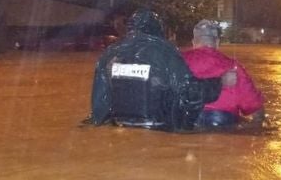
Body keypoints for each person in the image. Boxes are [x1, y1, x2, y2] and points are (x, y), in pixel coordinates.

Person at [89, 9, 237, 132]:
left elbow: (99, 104)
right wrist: (219, 82)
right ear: (158, 29)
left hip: (120, 129)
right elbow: (189, 92)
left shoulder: (109, 54)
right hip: (158, 129)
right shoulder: (166, 52)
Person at [182, 19, 265, 128]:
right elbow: (254, 106)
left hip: (184, 122)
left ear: (193, 42)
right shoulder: (233, 66)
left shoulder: (179, 61)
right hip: (222, 126)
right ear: (217, 42)